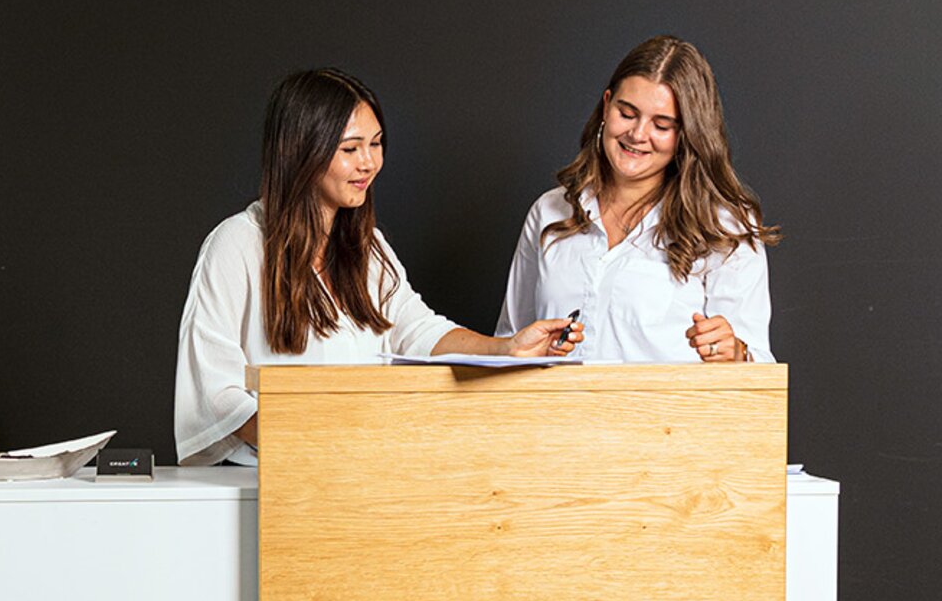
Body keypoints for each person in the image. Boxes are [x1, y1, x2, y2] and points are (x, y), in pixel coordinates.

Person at [176, 68, 578, 466]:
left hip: (361, 468)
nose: (368, 163)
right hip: (268, 476)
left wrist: (507, 348)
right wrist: (307, 442)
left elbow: (418, 330)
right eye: (350, 149)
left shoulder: (368, 247)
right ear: (301, 151)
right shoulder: (237, 244)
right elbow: (216, 390)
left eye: (376, 143)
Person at [495, 35, 780, 363]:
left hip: (670, 401)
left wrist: (737, 354)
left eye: (662, 125)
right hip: (556, 400)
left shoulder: (724, 227)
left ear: (687, 133)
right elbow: (510, 343)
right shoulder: (549, 211)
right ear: (606, 105)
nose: (638, 134)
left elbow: (759, 367)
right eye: (627, 113)